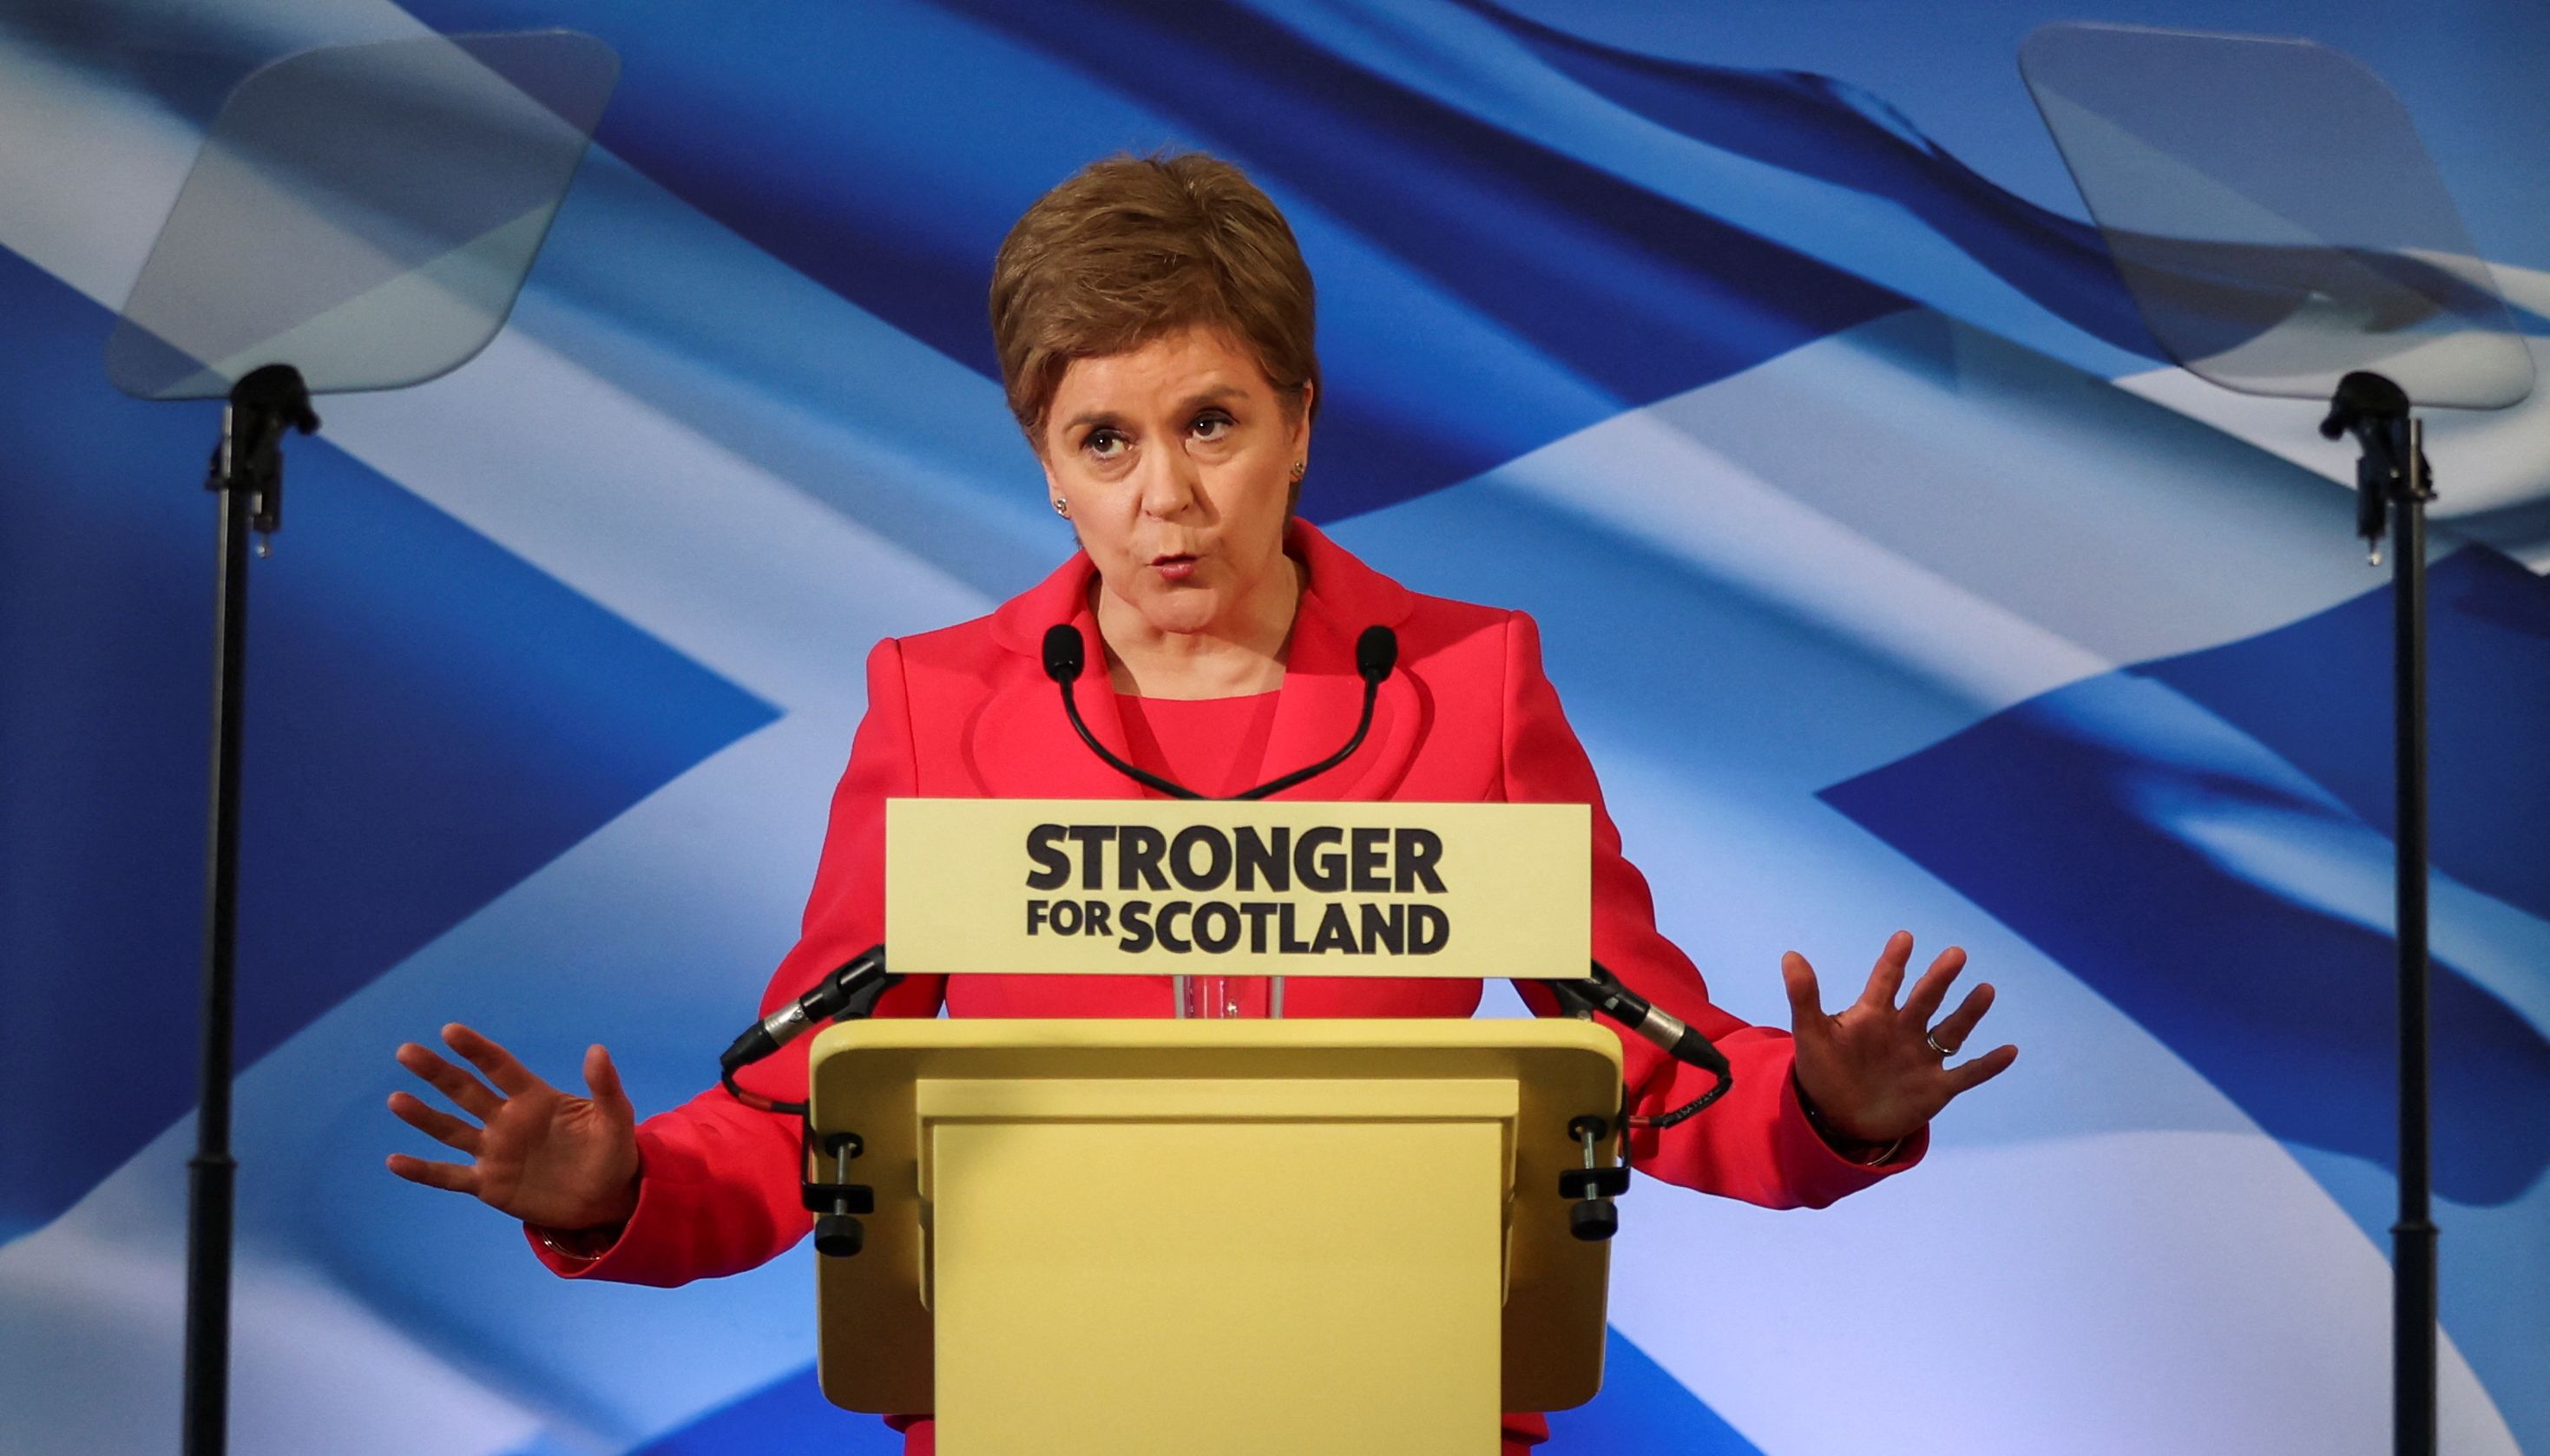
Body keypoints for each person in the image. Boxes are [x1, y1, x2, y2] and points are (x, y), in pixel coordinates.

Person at [387, 153, 2017, 1453]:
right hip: (1031, 1412)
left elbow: (1649, 1071)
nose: (1161, 496)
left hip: (1396, 1406)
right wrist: (618, 1192)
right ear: (1045, 460)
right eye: (1103, 440)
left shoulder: (1469, 689)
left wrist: (1830, 1108)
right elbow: (803, 1108)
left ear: (1299, 425)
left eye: (1209, 424)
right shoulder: (941, 706)